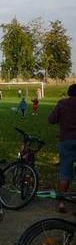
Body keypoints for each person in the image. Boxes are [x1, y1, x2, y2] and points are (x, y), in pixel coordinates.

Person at [49, 84, 76, 213]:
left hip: (66, 140)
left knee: (65, 173)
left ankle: (61, 202)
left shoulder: (62, 103)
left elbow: (51, 120)